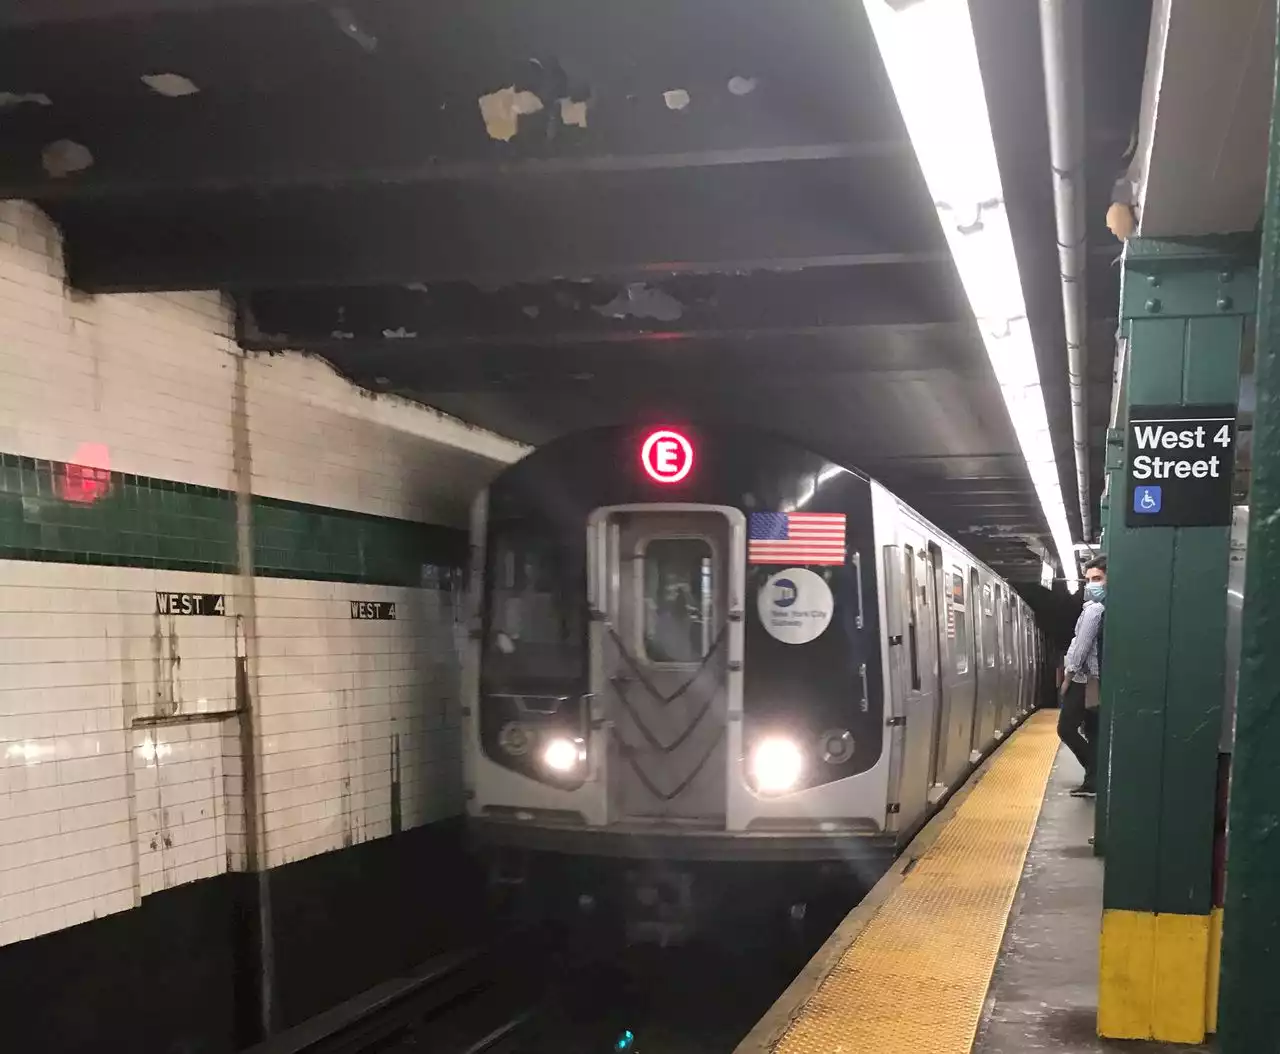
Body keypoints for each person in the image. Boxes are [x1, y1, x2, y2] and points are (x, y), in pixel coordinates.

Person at [1058, 555, 1106, 797]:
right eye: (1089, 580)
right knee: (1094, 731)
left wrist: (1068, 676)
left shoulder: (1094, 610)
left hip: (1083, 680)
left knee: (1066, 728)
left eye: (1097, 578)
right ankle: (1094, 780)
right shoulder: (1104, 607)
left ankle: (1096, 773)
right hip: (1095, 680)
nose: (1092, 585)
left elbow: (1081, 646)